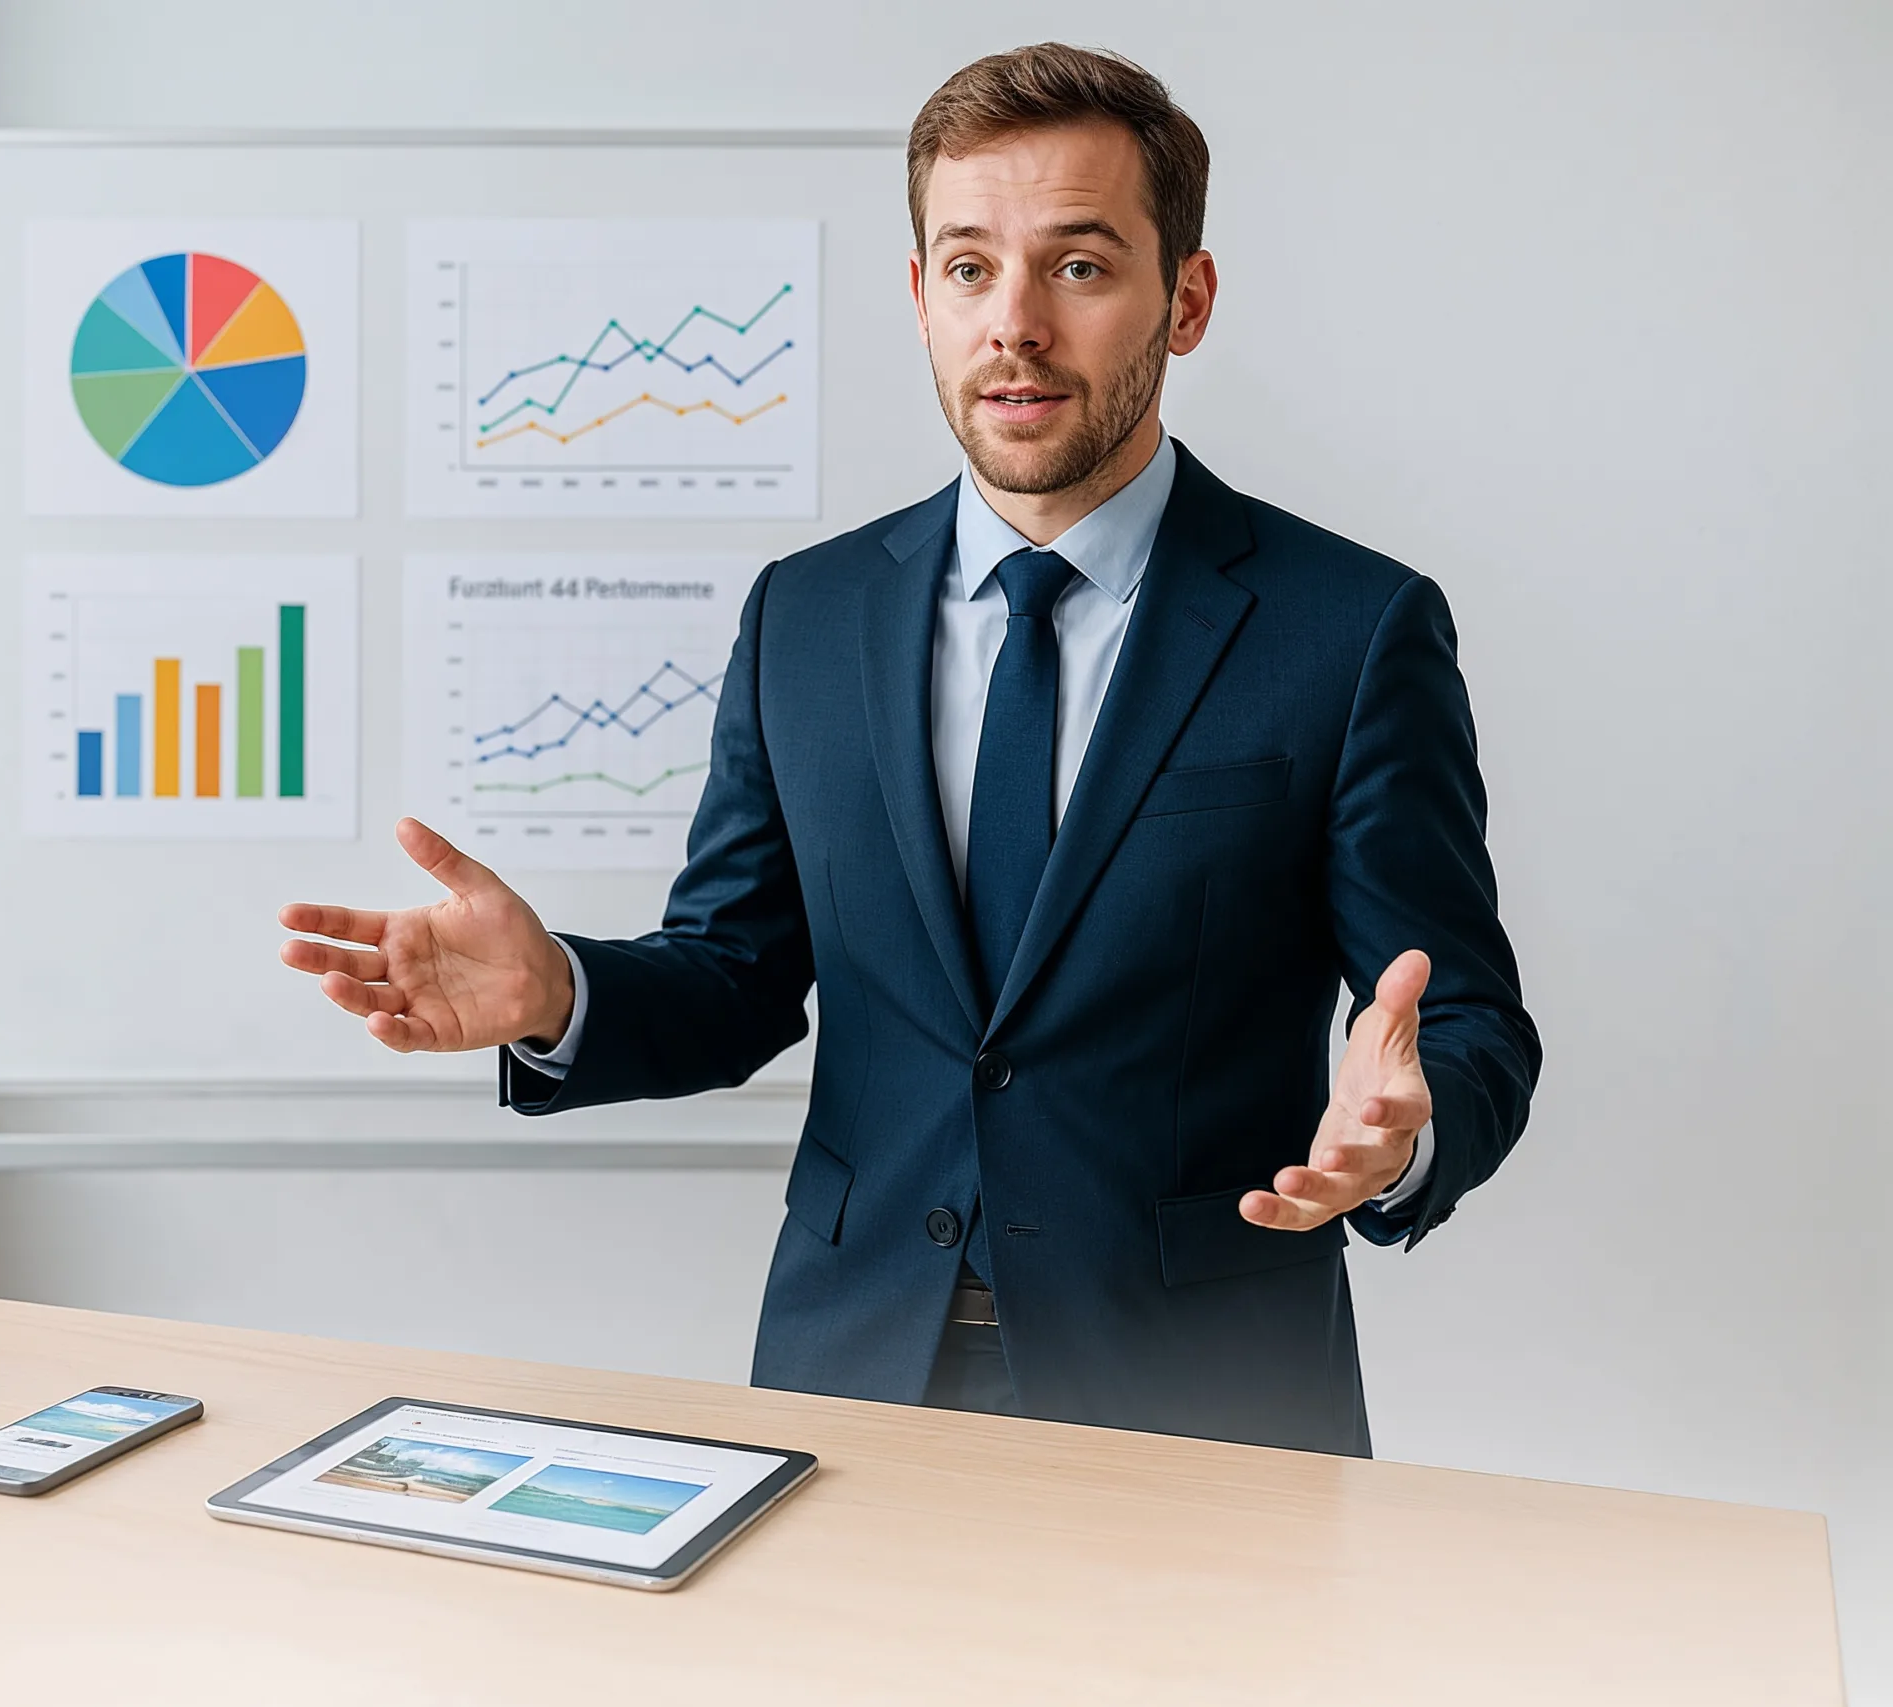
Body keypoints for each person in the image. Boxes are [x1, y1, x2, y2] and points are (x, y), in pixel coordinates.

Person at [279, 43, 1539, 1456]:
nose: (1015, 325)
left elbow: (1473, 1021)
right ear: (920, 297)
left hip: (1204, 1399)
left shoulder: (1350, 630)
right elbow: (738, 975)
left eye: (1078, 267)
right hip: (853, 1367)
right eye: (967, 269)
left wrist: (1404, 1136)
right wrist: (559, 991)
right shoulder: (806, 618)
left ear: (1184, 300)